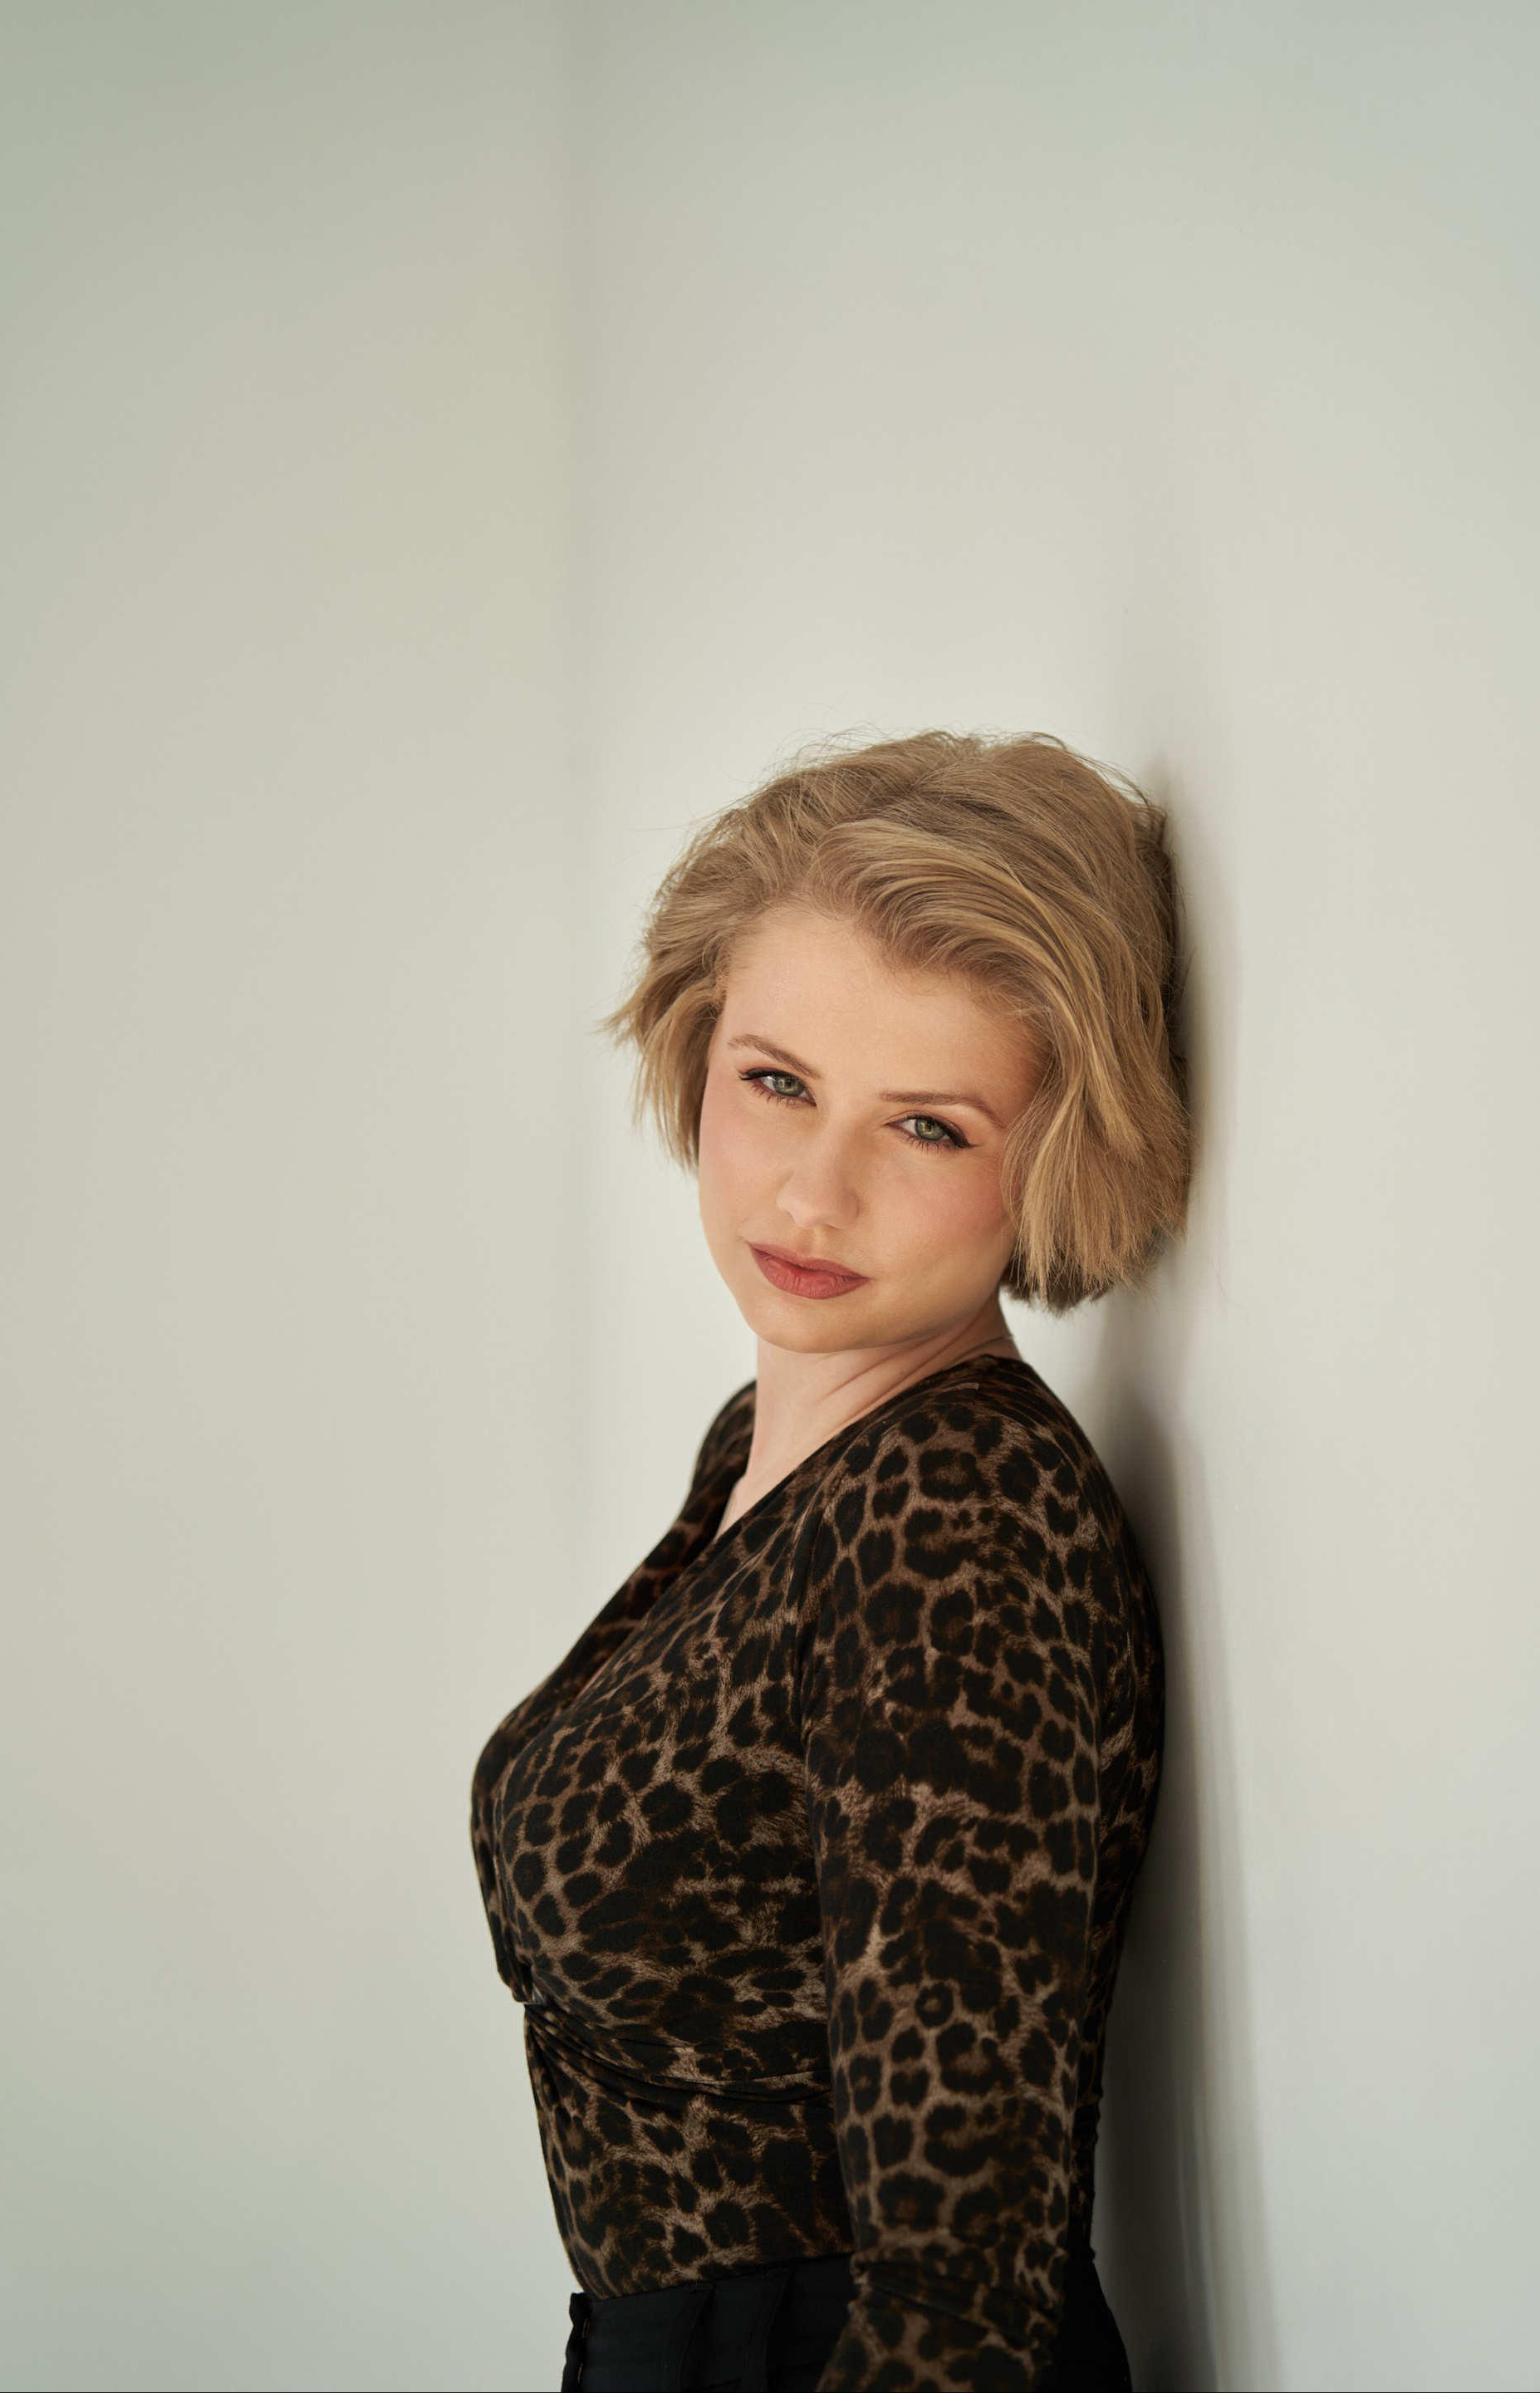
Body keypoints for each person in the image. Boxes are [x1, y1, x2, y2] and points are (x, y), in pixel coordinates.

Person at [472, 732, 1189, 2391]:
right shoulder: (771, 1442)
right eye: (778, 1081)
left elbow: (963, 2277)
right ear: (697, 1045)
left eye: (927, 1126)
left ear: (1055, 1155)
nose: (813, 1192)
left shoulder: (958, 1512)